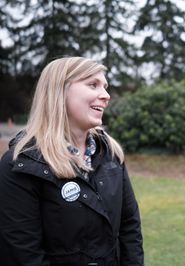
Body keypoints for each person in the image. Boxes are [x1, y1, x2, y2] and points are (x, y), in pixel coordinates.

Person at [0, 57, 144, 265]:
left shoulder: (110, 153)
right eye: (93, 85)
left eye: (105, 87)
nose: (106, 95)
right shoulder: (18, 165)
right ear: (59, 91)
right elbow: (23, 255)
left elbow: (130, 228)